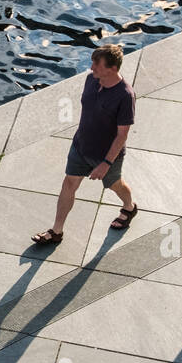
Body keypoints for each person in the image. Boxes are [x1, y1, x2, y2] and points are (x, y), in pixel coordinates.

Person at [32, 44, 137, 247]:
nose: (91, 68)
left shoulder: (125, 95)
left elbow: (122, 135)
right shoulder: (91, 80)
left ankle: (129, 207)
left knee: (115, 185)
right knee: (69, 183)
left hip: (106, 155)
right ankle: (56, 231)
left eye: (97, 64)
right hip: (81, 146)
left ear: (113, 68)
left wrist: (106, 163)